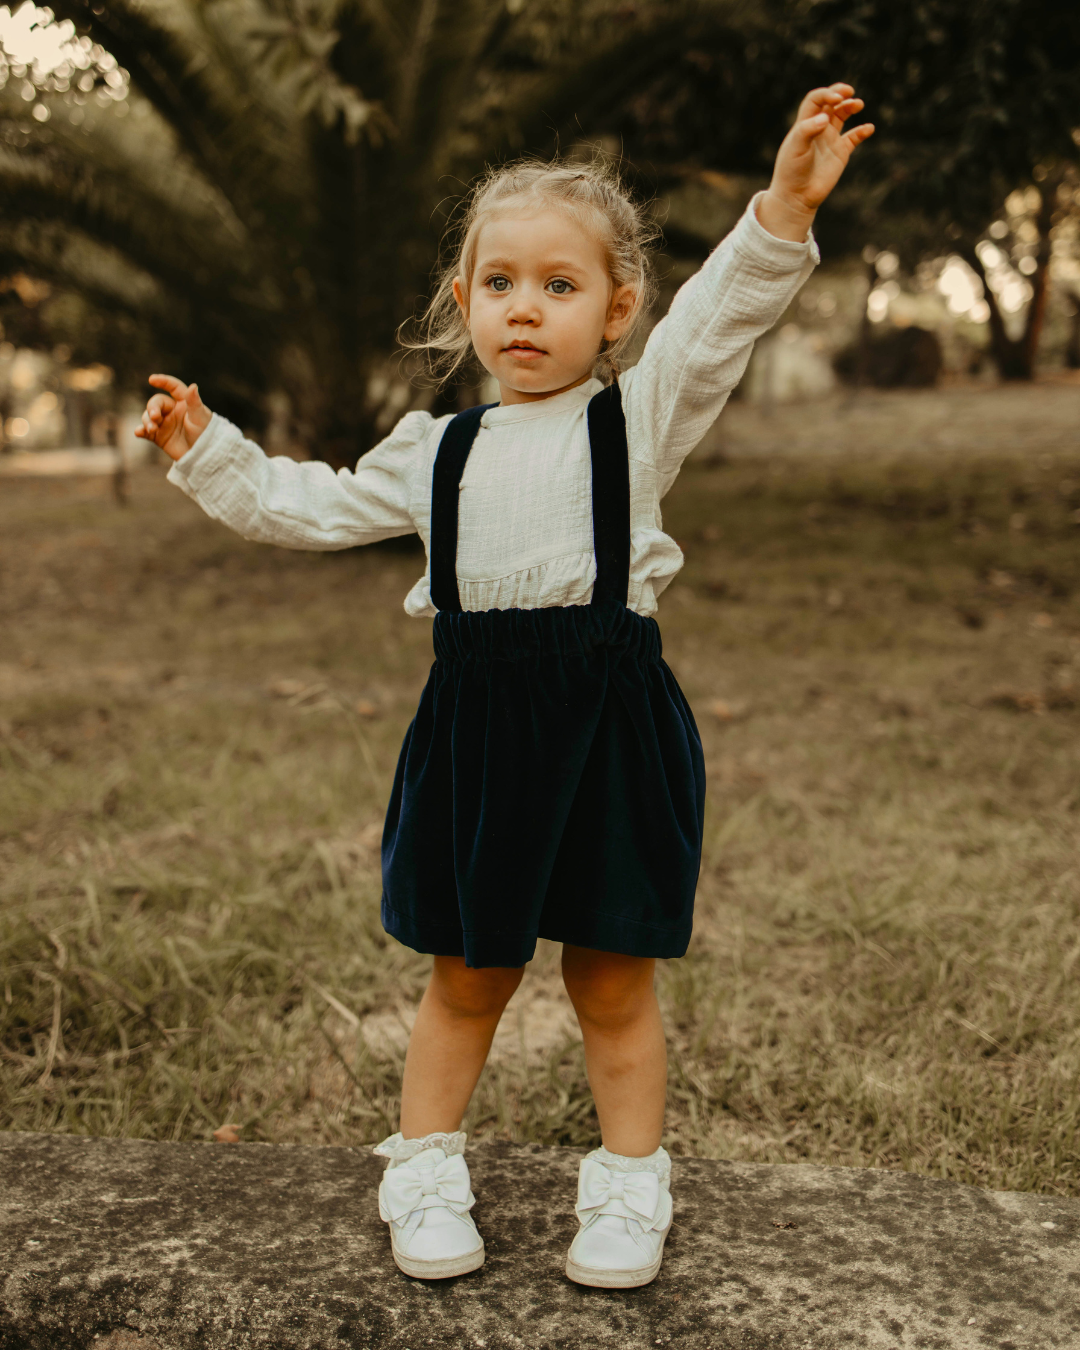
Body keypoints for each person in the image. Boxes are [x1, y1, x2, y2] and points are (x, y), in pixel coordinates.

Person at [137, 84, 872, 1289]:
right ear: (466, 301)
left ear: (619, 309)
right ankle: (423, 1164)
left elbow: (722, 318)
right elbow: (306, 505)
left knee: (610, 977)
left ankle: (631, 1187)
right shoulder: (441, 451)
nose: (525, 308)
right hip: (478, 736)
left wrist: (784, 204)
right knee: (468, 975)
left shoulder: (636, 421)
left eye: (561, 285)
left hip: (609, 733)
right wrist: (209, 451)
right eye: (500, 284)